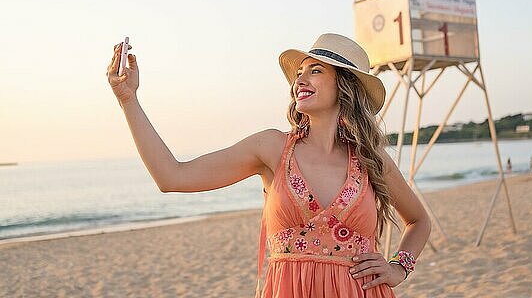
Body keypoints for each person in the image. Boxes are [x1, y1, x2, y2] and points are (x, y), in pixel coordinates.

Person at [106, 33, 432, 298]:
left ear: (345, 86)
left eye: (315, 70)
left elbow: (418, 221)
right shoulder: (272, 148)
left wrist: (398, 268)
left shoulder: (369, 159)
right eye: (300, 72)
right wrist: (128, 99)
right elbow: (172, 176)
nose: (300, 78)